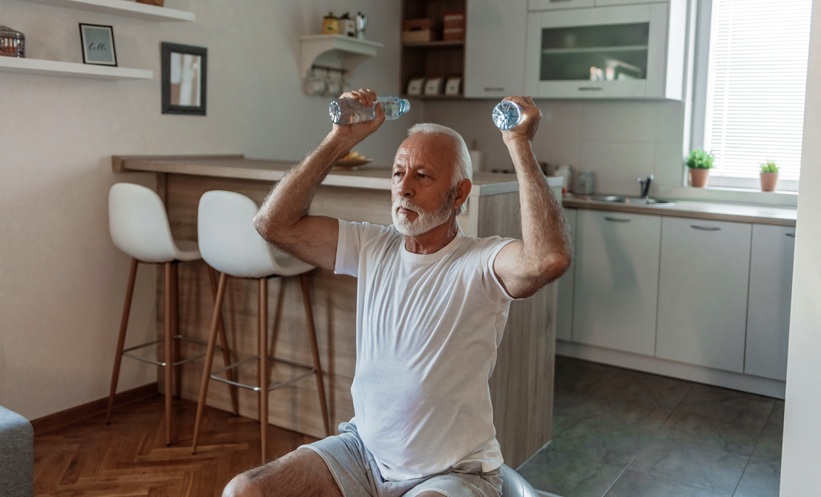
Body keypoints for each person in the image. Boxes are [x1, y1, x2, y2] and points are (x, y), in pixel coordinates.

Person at [226, 89, 571, 497]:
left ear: (459, 194)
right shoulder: (371, 245)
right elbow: (273, 224)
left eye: (422, 176)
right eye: (398, 174)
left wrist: (518, 143)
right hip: (361, 453)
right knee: (244, 491)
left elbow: (547, 259)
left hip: (453, 472)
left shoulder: (480, 261)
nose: (404, 188)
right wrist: (339, 138)